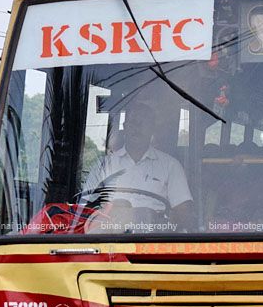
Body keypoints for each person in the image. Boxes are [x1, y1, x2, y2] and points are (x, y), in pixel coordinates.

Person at [80, 99, 194, 232]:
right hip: (108, 237)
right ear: (125, 126)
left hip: (154, 239)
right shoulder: (103, 165)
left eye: (143, 123)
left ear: (152, 129)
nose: (137, 127)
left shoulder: (171, 165)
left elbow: (183, 211)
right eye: (133, 122)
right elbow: (84, 209)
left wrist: (159, 223)